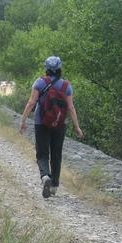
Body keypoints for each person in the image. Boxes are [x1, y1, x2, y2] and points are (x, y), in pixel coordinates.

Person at [19, 56, 84, 198]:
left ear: (46, 68)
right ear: (60, 68)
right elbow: (71, 107)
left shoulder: (40, 82)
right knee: (56, 154)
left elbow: (31, 102)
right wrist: (77, 127)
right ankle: (54, 185)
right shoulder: (66, 86)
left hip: (41, 122)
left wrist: (23, 121)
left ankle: (45, 177)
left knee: (42, 153)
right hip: (60, 124)